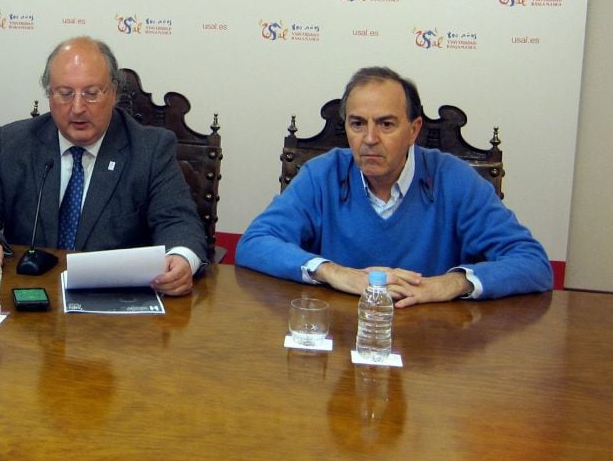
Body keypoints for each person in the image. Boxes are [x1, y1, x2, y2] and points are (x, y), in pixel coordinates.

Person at [235, 66, 552, 307]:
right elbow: (255, 243)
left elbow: (533, 263)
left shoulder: (453, 178)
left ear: (414, 130)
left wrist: (452, 283)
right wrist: (333, 272)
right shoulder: (323, 175)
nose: (370, 139)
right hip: (342, 338)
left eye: (386, 124)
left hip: (431, 351)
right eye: (358, 124)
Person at [0, 36, 208, 296]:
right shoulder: (14, 142)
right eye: (65, 94)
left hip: (116, 306)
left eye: (91, 93)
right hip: (29, 298)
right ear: (49, 95)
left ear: (114, 93)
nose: (77, 108)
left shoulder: (149, 149)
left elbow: (178, 221)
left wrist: (181, 258)